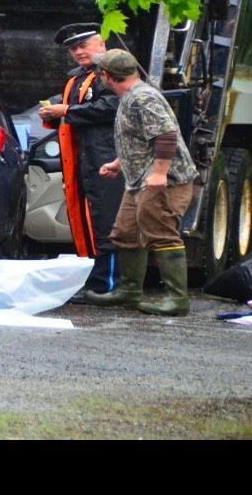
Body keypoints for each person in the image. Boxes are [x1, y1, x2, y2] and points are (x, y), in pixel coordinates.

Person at [85, 49, 199, 316]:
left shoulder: (143, 98)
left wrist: (160, 173)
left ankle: (177, 299)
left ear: (106, 76)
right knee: (125, 233)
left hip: (164, 182)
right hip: (138, 180)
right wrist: (118, 162)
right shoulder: (129, 96)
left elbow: (166, 135)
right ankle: (130, 290)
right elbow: (139, 139)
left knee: (160, 234)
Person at [39, 23, 126, 300]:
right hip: (82, 158)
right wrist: (53, 113)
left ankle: (107, 284)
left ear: (102, 44)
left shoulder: (113, 72)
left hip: (107, 156)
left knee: (105, 219)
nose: (78, 52)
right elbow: (75, 109)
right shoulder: (77, 78)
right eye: (73, 48)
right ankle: (92, 280)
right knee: (85, 219)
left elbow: (114, 106)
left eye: (83, 45)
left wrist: (67, 110)